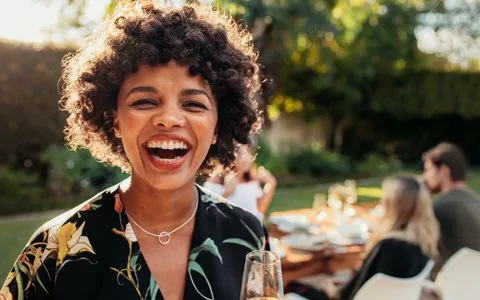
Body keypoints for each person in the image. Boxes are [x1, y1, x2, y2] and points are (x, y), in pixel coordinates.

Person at [0, 1, 266, 299]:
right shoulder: (55, 249)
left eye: (193, 104)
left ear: (218, 126)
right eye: (145, 102)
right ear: (115, 120)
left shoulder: (247, 235)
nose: (168, 119)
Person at [287, 175, 440, 300]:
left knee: (291, 291)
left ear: (393, 207)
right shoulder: (423, 242)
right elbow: (371, 283)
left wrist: (332, 290)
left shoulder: (390, 247)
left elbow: (352, 295)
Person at [422, 142, 480, 272]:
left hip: (452, 283)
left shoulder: (441, 206)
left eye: (428, 170)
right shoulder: (475, 200)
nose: (425, 177)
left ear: (443, 171)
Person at [203, 146, 277, 220]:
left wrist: (271, 185)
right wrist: (227, 193)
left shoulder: (251, 181)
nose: (245, 157)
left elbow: (260, 210)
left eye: (247, 153)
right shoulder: (215, 181)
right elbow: (208, 212)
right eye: (240, 153)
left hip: (252, 227)